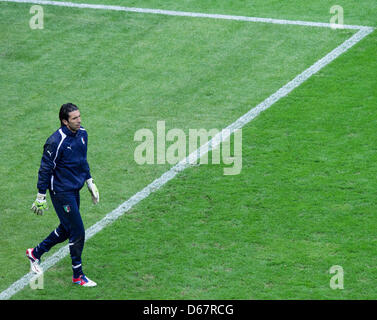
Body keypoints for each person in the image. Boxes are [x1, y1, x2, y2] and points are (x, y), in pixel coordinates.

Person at [27, 103, 99, 287]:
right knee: (78, 231)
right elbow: (45, 169)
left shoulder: (83, 134)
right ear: (64, 121)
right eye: (74, 118)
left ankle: (35, 253)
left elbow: (82, 161)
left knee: (67, 229)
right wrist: (41, 195)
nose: (79, 120)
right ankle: (78, 275)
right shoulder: (55, 141)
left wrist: (90, 182)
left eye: (79, 116)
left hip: (74, 188)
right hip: (61, 191)